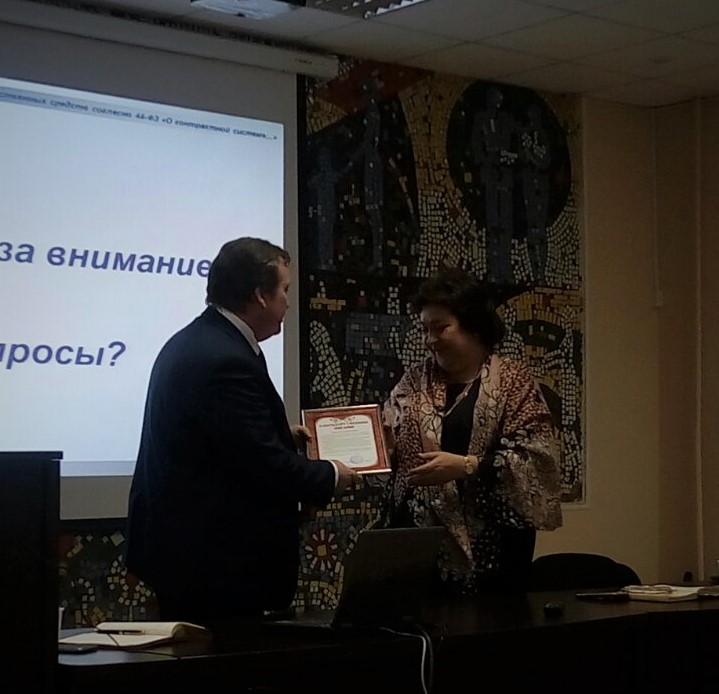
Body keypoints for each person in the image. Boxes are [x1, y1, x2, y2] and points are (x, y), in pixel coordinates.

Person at [125, 237, 359, 627]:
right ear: (259, 296)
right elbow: (263, 464)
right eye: (285, 290)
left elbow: (218, 439)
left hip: (189, 557)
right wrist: (332, 475)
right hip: (213, 568)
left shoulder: (198, 340)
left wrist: (279, 434)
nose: (289, 302)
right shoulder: (225, 359)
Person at [380, 267, 562, 594]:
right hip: (423, 551)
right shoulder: (412, 382)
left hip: (496, 549)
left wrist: (467, 466)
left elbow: (537, 460)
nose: (430, 340)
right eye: (425, 330)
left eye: (441, 328)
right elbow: (387, 451)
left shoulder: (513, 384)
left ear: (474, 326)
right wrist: (382, 448)